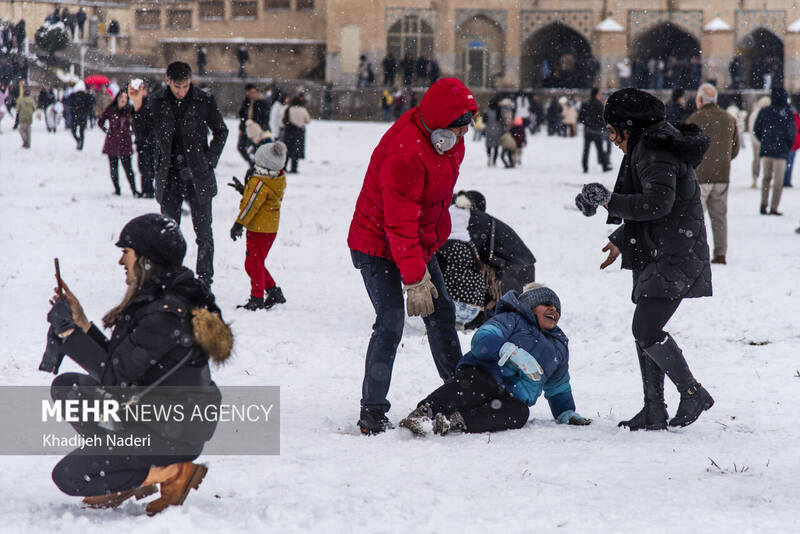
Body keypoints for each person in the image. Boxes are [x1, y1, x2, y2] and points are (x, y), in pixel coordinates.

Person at [45, 213, 231, 515]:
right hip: (158, 419)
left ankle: (170, 471)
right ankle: (128, 473)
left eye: (126, 252)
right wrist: (82, 325)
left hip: (172, 435)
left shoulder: (166, 313)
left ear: (146, 259)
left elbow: (115, 378)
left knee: (70, 476)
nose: (121, 261)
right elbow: (124, 365)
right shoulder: (162, 299)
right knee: (69, 389)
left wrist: (68, 333)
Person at [575, 88, 714, 430]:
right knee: (646, 331)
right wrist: (622, 238)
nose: (610, 139)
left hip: (673, 253)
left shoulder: (654, 151)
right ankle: (654, 409)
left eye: (612, 131)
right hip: (660, 249)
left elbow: (657, 205)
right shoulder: (650, 147)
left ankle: (693, 392)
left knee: (646, 329)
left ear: (628, 127)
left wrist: (608, 200)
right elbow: (659, 207)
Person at [347, 77, 477, 435]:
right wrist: (415, 279)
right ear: (440, 126)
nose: (464, 135)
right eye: (459, 128)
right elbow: (399, 224)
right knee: (390, 321)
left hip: (414, 242)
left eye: (468, 127)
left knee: (442, 313)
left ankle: (458, 390)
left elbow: (431, 202)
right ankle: (372, 411)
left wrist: (426, 254)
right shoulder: (406, 153)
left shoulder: (450, 142)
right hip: (375, 244)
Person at [399, 284, 591, 435]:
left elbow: (558, 387)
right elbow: (482, 338)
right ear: (531, 306)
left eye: (557, 309)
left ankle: (455, 421)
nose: (554, 310)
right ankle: (426, 411)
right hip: (484, 374)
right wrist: (509, 351)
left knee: (519, 413)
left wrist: (566, 412)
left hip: (510, 396)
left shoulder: (557, 347)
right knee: (474, 385)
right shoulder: (512, 319)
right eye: (547, 305)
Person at [129, 61, 229, 286]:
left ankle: (204, 280)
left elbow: (221, 131)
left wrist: (209, 161)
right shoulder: (155, 101)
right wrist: (137, 106)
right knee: (168, 235)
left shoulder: (204, 100)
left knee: (204, 234)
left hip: (198, 176)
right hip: (169, 176)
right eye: (177, 87)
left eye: (185, 86)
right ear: (167, 81)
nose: (182, 91)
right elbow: (142, 133)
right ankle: (170, 278)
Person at [230, 142, 288, 310]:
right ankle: (273, 291)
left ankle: (257, 298)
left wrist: (238, 224)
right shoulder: (276, 179)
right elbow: (262, 199)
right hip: (269, 229)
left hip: (259, 229)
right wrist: (245, 190)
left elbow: (251, 206)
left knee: (253, 263)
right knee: (256, 262)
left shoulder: (259, 182)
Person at [687, 83, 739, 265]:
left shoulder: (694, 119)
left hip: (699, 176)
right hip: (722, 175)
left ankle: (692, 252)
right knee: (719, 217)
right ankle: (720, 253)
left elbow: (686, 149)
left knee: (695, 217)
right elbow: (735, 150)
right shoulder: (729, 119)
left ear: (700, 100)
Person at [753, 86, 794, 216]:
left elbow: (756, 129)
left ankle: (763, 204)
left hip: (767, 150)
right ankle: (774, 207)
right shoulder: (787, 113)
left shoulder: (764, 111)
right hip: (781, 152)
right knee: (778, 181)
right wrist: (787, 146)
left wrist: (764, 140)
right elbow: (791, 132)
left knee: (766, 178)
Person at [99, 89, 139, 196]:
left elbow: (136, 122)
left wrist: (131, 131)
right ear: (117, 98)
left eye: (125, 98)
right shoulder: (111, 110)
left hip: (125, 143)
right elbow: (101, 121)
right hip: (112, 142)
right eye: (121, 97)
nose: (123, 100)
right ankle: (117, 189)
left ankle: (134, 190)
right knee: (114, 168)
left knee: (128, 169)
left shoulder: (129, 110)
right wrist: (107, 130)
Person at [578, 88, 612, 173]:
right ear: (596, 94)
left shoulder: (585, 103)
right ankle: (604, 166)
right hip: (596, 130)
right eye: (599, 94)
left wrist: (586, 123)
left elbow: (580, 118)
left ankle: (585, 166)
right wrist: (604, 127)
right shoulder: (599, 105)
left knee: (586, 150)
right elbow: (602, 118)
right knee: (600, 149)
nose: (600, 96)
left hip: (588, 130)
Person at [237, 84, 271, 166]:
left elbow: (265, 117)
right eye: (251, 92)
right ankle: (251, 162)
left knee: (259, 147)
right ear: (247, 92)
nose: (253, 94)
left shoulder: (261, 102)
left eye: (255, 92)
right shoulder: (246, 103)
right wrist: (242, 128)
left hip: (258, 129)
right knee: (241, 147)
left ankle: (257, 163)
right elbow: (243, 116)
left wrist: (262, 127)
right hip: (247, 129)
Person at [134, 80, 156, 198]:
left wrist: (148, 138)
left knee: (148, 167)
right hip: (142, 141)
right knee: (144, 167)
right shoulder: (137, 105)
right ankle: (147, 189)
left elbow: (152, 124)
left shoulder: (149, 104)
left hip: (148, 142)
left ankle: (149, 189)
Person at [282, 95, 311, 173]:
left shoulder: (288, 109)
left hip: (290, 131)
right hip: (299, 132)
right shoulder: (303, 110)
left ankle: (284, 166)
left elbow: (284, 120)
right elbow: (308, 120)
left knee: (287, 150)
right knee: (296, 151)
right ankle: (294, 168)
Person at [748, 95, 771, 189]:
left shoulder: (760, 113)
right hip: (758, 141)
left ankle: (761, 179)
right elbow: (752, 128)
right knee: (758, 160)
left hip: (763, 141)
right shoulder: (756, 114)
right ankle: (756, 178)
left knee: (763, 161)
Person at [68, 81, 94, 150]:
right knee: (80, 131)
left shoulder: (76, 95)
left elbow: (70, 104)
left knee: (77, 130)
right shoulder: (84, 96)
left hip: (78, 115)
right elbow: (91, 105)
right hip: (80, 115)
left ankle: (79, 142)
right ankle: (80, 142)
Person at [483, 97, 503, 166]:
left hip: (489, 131)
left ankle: (489, 158)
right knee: (496, 146)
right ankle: (494, 161)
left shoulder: (487, 111)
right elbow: (502, 122)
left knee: (489, 146)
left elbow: (484, 121)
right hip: (497, 131)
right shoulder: (499, 111)